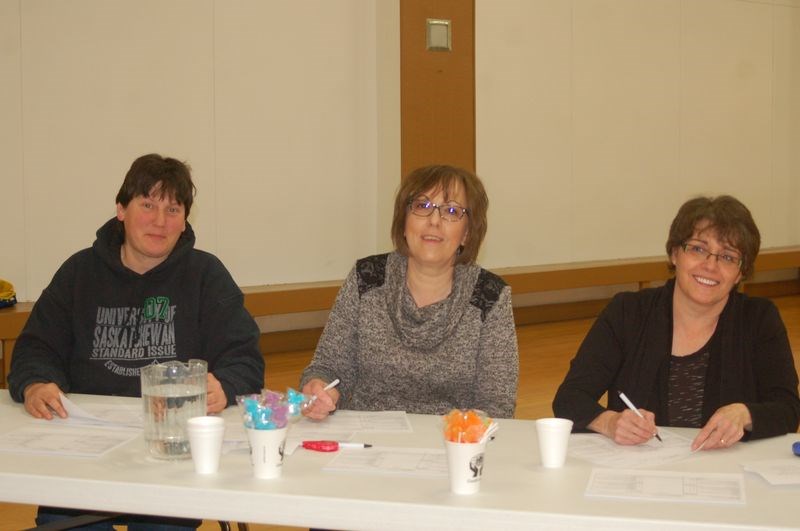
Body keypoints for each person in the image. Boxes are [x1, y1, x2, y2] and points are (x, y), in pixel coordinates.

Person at [8, 154, 264, 529]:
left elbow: (246, 360)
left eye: (173, 209)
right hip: (83, 451)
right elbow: (35, 348)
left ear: (184, 220)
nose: (160, 221)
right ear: (121, 210)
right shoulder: (79, 273)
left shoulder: (206, 275)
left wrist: (225, 387)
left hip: (172, 452)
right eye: (147, 205)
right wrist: (35, 383)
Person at [553, 195, 800, 451]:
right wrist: (610, 422)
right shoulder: (628, 312)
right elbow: (570, 397)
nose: (710, 266)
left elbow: (788, 409)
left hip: (725, 473)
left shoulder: (759, 319)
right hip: (640, 472)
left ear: (740, 272)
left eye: (727, 257)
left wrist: (744, 414)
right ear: (674, 254)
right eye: (698, 249)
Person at [300, 165, 519, 420]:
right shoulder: (367, 277)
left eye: (451, 211)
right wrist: (319, 386)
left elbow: (497, 405)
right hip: (366, 438)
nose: (434, 221)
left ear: (467, 234)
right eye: (422, 206)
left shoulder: (490, 296)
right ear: (403, 222)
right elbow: (328, 367)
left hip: (450, 445)